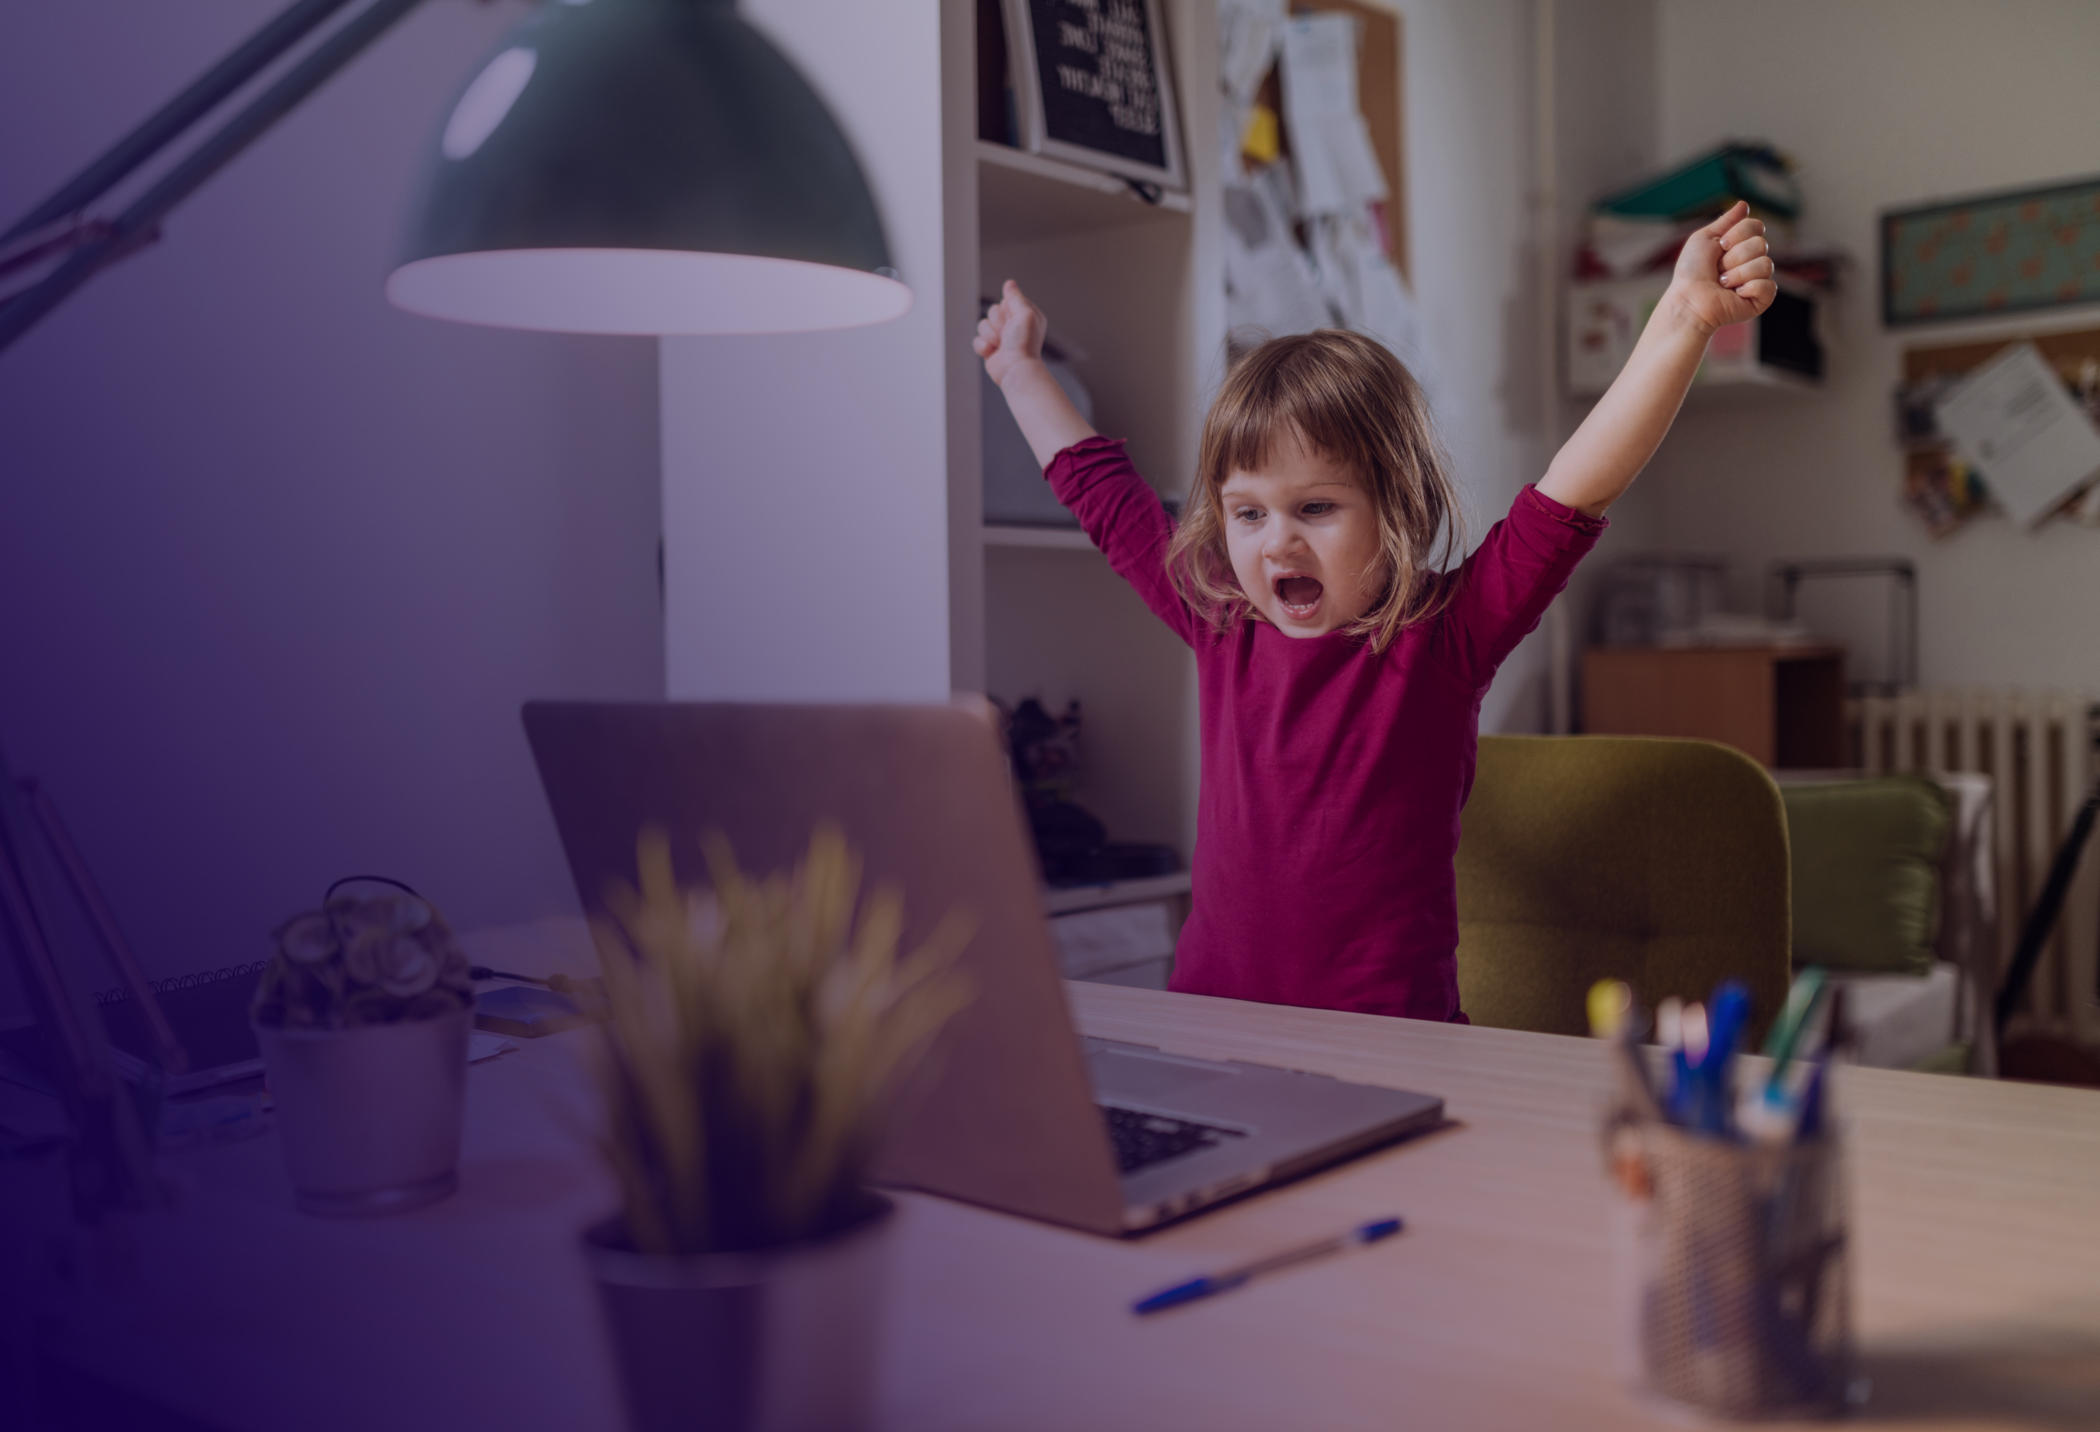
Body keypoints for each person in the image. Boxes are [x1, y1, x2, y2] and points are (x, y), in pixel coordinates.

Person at [976, 201, 1776, 1020]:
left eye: (1315, 508)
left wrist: (1681, 317)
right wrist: (1019, 371)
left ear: (1397, 507)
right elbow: (1104, 496)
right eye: (1248, 514)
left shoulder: (1447, 635)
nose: (1275, 544)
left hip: (1396, 1038)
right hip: (1216, 1024)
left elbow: (1576, 490)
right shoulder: (1219, 614)